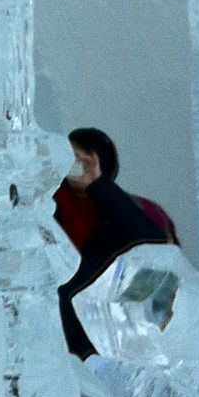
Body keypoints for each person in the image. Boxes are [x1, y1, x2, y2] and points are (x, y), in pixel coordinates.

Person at [54, 126, 171, 360]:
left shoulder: (132, 208)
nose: (76, 167)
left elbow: (152, 244)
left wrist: (98, 184)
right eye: (70, 159)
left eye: (82, 161)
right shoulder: (46, 205)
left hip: (105, 342)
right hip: (58, 339)